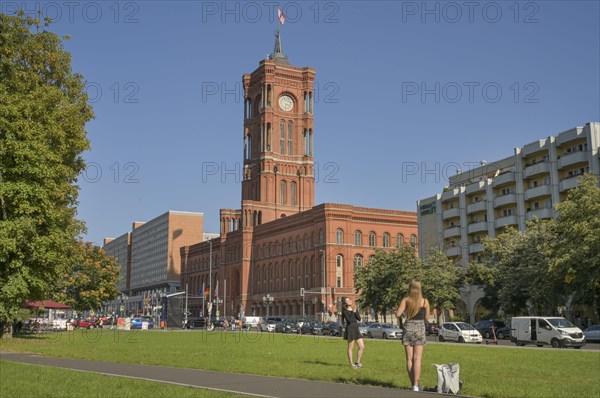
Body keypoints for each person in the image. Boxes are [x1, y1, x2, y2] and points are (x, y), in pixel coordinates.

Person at [396, 279, 430, 392]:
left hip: (408, 327)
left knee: (409, 358)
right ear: (420, 289)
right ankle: (416, 385)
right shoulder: (425, 301)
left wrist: (405, 316)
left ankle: (413, 385)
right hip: (420, 329)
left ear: (409, 288)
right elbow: (427, 318)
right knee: (417, 358)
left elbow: (398, 314)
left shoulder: (406, 300)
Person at [341, 297, 365, 369]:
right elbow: (350, 320)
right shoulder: (345, 311)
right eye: (347, 300)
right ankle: (351, 364)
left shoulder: (354, 309)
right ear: (345, 303)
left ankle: (358, 362)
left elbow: (359, 319)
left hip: (356, 329)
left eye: (349, 299)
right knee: (350, 348)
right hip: (350, 329)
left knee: (362, 347)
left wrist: (355, 311)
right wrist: (353, 312)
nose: (349, 301)